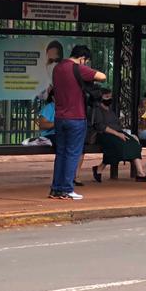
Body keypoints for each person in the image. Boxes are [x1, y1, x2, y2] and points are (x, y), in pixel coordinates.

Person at [48, 44, 106, 200]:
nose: (85, 64)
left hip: (60, 118)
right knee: (73, 154)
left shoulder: (57, 68)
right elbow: (102, 76)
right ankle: (67, 188)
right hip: (76, 117)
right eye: (85, 61)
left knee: (61, 154)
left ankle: (56, 189)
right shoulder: (78, 68)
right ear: (82, 58)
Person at [90, 88, 146, 182]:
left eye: (110, 96)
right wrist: (117, 134)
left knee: (134, 142)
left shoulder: (110, 110)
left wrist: (129, 134)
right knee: (120, 147)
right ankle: (99, 168)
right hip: (105, 135)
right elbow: (100, 126)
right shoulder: (97, 110)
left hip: (118, 133)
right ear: (100, 98)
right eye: (106, 97)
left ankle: (140, 173)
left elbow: (118, 125)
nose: (109, 99)